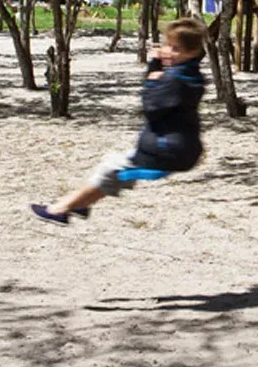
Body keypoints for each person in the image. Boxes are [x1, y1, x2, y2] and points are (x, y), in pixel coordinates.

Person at [31, 17, 209, 223]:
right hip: (180, 148)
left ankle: (60, 210)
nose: (169, 51)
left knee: (111, 169)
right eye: (168, 45)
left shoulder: (175, 79)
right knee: (112, 167)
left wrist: (152, 76)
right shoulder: (192, 75)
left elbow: (151, 107)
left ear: (193, 52)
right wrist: (158, 69)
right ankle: (80, 204)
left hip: (165, 151)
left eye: (176, 48)